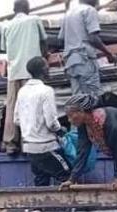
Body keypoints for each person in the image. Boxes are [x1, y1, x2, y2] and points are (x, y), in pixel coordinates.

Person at [14, 57, 71, 186]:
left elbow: (16, 120)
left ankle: (41, 206)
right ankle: (73, 206)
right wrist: (60, 129)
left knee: (41, 180)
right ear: (44, 70)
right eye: (47, 67)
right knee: (68, 176)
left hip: (29, 147)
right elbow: (51, 122)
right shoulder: (46, 91)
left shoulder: (22, 91)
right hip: (46, 146)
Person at [2, 0, 48, 155]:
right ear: (27, 8)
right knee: (30, 107)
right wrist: (44, 58)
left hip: (13, 72)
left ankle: (10, 143)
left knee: (12, 107)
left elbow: (4, 48)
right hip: (32, 72)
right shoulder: (34, 20)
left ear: (14, 10)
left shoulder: (6, 25)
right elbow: (44, 43)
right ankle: (27, 142)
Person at [59, 0, 117, 96]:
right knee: (92, 97)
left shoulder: (68, 13)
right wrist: (109, 53)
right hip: (85, 59)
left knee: (78, 98)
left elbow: (61, 39)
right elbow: (93, 38)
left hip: (71, 62)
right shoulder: (89, 10)